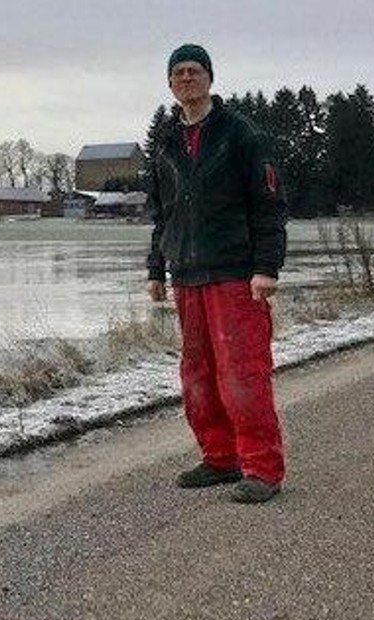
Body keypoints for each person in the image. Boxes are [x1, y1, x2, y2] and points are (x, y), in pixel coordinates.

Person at [146, 44, 288, 504]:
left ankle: (262, 468)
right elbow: (162, 214)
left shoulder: (240, 134)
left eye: (195, 71)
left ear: (210, 78)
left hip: (235, 273)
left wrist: (266, 267)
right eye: (179, 73)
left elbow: (268, 205)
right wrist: (156, 268)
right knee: (198, 376)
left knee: (242, 373)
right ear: (170, 83)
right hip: (187, 275)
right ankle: (221, 457)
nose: (187, 78)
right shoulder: (166, 143)